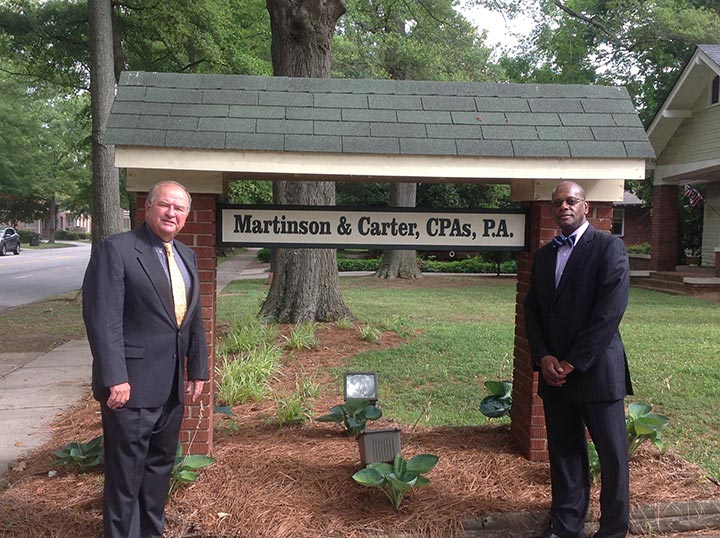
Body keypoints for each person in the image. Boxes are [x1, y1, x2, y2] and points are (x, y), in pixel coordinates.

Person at [83, 180, 208, 537]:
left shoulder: (187, 255)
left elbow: (192, 319)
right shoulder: (118, 250)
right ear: (148, 208)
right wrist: (114, 377)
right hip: (130, 388)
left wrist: (197, 368)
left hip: (170, 389)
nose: (172, 213)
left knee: (158, 472)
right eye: (165, 205)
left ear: (186, 216)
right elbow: (102, 319)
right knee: (125, 478)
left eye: (180, 209)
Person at [523, 181, 633, 538]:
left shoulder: (608, 248)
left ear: (586, 206)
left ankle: (614, 530)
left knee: (613, 457)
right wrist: (543, 356)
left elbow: (609, 312)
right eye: (557, 204)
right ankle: (568, 526)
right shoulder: (543, 256)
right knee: (565, 456)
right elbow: (533, 312)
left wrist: (572, 362)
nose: (563, 208)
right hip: (555, 376)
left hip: (597, 373)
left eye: (571, 201)